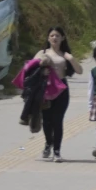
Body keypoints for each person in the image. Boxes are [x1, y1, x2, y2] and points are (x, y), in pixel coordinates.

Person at [33, 27, 78, 161]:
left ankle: (57, 151)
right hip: (46, 90)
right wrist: (41, 70)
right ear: (48, 38)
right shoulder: (42, 53)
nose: (54, 38)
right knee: (47, 121)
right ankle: (48, 143)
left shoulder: (65, 54)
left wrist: (71, 59)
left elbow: (80, 70)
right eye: (52, 35)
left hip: (61, 90)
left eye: (57, 35)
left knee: (58, 121)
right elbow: (30, 68)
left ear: (62, 38)